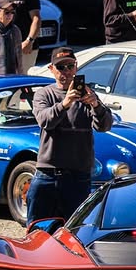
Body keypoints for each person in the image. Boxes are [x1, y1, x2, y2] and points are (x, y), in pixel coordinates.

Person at [26, 46, 114, 227]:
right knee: (38, 229)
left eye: (70, 66)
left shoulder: (87, 94)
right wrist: (66, 103)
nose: (66, 72)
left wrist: (96, 105)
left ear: (76, 67)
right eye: (60, 67)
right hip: (48, 174)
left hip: (78, 176)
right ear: (51, 69)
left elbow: (104, 126)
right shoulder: (45, 93)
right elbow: (45, 121)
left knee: (75, 231)